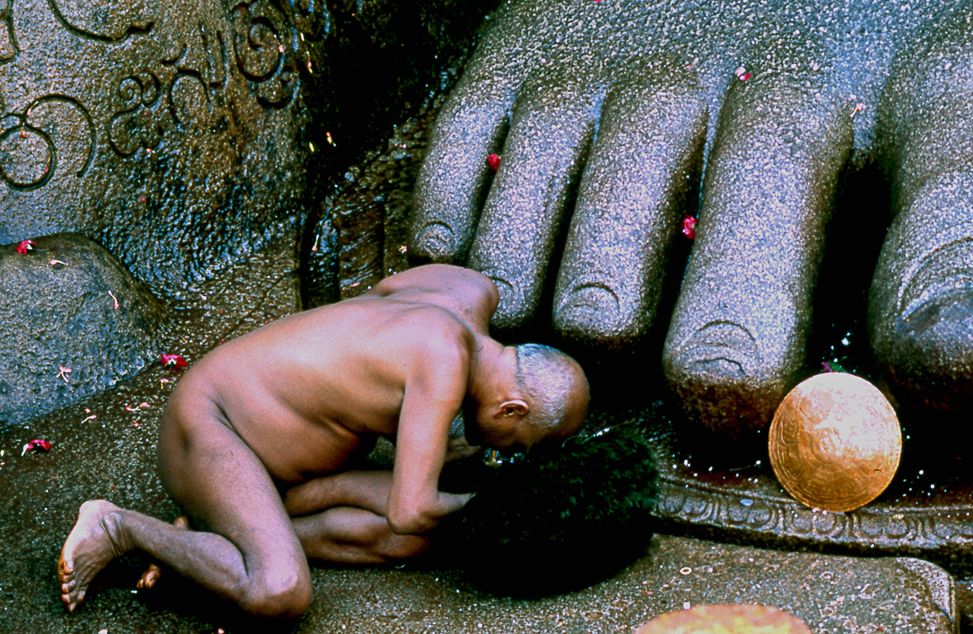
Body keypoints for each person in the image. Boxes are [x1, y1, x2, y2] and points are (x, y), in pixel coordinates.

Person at [57, 264, 590, 617]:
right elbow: (412, 508)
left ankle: (211, 541)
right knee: (279, 590)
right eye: (515, 442)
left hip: (295, 469)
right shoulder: (445, 359)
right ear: (511, 407)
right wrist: (508, 504)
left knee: (421, 541)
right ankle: (120, 525)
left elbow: (372, 310)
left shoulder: (471, 289)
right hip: (212, 424)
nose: (504, 452)